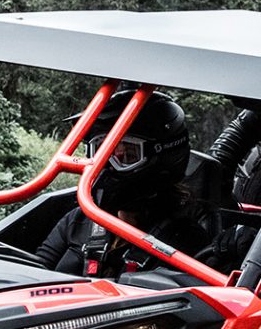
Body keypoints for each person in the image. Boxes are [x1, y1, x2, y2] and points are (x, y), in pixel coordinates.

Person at [36, 90, 210, 277]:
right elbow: (34, 273)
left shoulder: (184, 241)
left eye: (127, 155)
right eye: (102, 149)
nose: (108, 165)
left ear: (163, 160)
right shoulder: (79, 220)